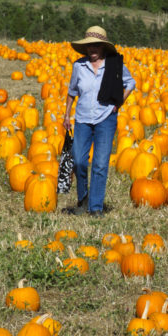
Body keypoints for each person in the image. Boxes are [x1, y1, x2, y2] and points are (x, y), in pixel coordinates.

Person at [62, 25, 136, 216]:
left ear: (103, 47)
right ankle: (83, 199)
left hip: (106, 119)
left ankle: (95, 208)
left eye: (96, 45)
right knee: (78, 160)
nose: (92, 49)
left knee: (100, 164)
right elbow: (72, 92)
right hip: (82, 119)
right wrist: (66, 114)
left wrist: (119, 103)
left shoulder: (113, 65)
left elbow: (131, 83)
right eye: (89, 46)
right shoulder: (79, 66)